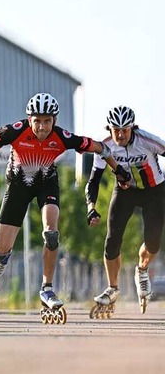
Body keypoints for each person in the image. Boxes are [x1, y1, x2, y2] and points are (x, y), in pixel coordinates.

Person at [0, 93, 130, 320]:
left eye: (47, 121)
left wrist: (118, 170)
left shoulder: (62, 136)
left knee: (51, 234)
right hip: (18, 186)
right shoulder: (14, 130)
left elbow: (100, 147)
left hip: (47, 184)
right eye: (37, 121)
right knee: (2, 248)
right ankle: (0, 258)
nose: (42, 127)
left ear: (54, 120)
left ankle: (46, 287)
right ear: (29, 119)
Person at [86, 105, 165, 315]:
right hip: (125, 191)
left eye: (125, 130)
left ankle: (142, 269)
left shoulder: (148, 141)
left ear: (133, 128)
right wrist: (91, 207)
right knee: (112, 240)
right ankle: (112, 288)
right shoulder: (104, 146)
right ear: (109, 128)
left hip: (154, 191)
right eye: (116, 130)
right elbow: (93, 181)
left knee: (153, 243)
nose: (120, 135)